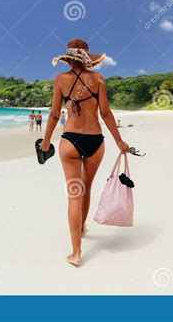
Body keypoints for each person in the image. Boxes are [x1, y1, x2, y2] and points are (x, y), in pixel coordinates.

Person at [41, 39, 129, 266]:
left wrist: (46, 141)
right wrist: (119, 141)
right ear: (86, 58)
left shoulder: (60, 79)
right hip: (95, 141)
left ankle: (76, 253)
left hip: (70, 141)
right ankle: (80, 227)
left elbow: (53, 114)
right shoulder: (98, 79)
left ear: (69, 58)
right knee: (86, 188)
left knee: (74, 194)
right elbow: (106, 113)